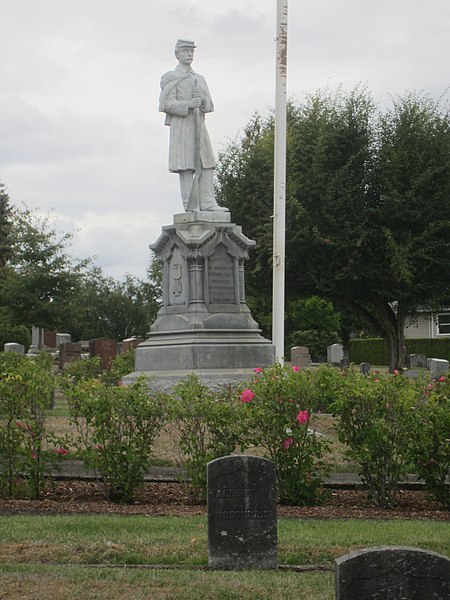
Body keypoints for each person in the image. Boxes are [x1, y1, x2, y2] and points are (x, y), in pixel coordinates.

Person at [159, 39, 228, 212]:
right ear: (177, 54)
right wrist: (189, 104)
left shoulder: (199, 79)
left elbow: (210, 105)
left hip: (199, 125)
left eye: (192, 51)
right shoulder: (171, 78)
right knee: (186, 165)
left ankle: (208, 203)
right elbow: (166, 104)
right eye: (186, 51)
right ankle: (191, 206)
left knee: (206, 163)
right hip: (182, 127)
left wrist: (202, 101)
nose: (189, 54)